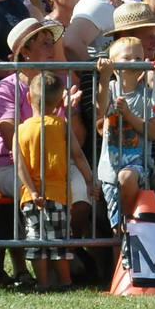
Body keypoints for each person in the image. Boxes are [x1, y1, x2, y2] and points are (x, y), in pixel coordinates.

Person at [15, 70, 94, 292]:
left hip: (31, 197)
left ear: (29, 98)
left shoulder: (20, 130)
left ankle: (42, 283)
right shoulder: (62, 125)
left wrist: (32, 191)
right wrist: (89, 181)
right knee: (60, 242)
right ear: (60, 102)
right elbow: (78, 155)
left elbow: (20, 166)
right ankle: (65, 282)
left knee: (36, 242)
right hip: (58, 194)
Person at [95, 34, 155, 230]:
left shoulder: (147, 94)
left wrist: (128, 114)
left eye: (138, 58)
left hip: (138, 167)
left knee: (127, 177)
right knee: (116, 229)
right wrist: (104, 78)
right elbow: (99, 110)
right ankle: (122, 237)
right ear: (113, 64)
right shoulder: (109, 89)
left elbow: (154, 132)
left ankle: (129, 223)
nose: (134, 62)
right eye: (127, 58)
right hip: (109, 170)